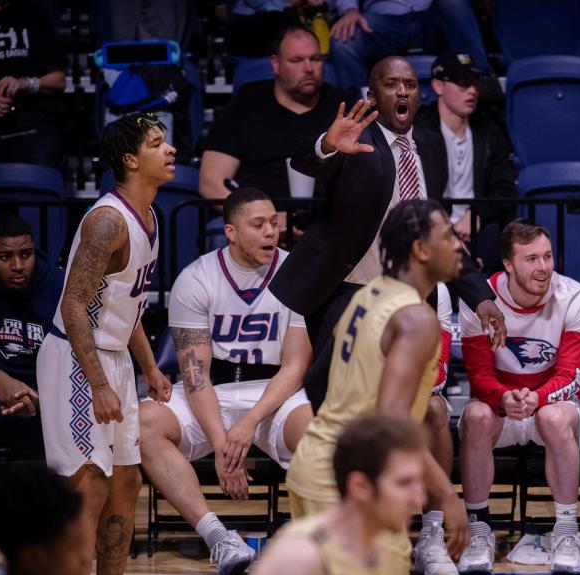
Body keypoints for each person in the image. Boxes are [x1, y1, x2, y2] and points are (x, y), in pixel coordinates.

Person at [268, 55, 505, 411]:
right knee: (342, 402)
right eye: (391, 84)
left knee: (406, 406)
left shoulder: (431, 145)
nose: (402, 91)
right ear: (373, 95)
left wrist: (480, 296)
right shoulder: (353, 139)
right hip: (347, 291)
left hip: (409, 297)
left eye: (409, 85)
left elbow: (437, 230)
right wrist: (327, 146)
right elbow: (305, 161)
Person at [285, 199, 468, 575]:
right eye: (448, 235)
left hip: (314, 465)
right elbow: (390, 423)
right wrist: (447, 495)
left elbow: (318, 380)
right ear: (421, 250)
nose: (459, 243)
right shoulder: (417, 319)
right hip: (352, 484)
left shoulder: (367, 294)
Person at [37, 112, 174, 575]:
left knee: (126, 482)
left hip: (113, 358)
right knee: (88, 490)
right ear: (130, 159)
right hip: (77, 358)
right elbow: (74, 305)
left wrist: (146, 367)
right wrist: (96, 381)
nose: (170, 151)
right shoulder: (107, 222)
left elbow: (127, 304)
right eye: (158, 144)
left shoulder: (151, 215)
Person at [138, 187, 314, 575]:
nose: (271, 231)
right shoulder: (196, 277)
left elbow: (296, 364)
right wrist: (222, 445)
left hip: (273, 393)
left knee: (325, 433)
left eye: (274, 222)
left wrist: (249, 422)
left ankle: (307, 539)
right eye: (258, 225)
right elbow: (195, 373)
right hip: (209, 392)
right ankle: (219, 537)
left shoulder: (297, 272)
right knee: (141, 423)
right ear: (231, 232)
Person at [189, 413, 428, 575]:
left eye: (419, 481)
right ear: (360, 487)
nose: (419, 497)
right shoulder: (304, 556)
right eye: (404, 483)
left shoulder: (378, 544)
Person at [457, 219, 580, 575]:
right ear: (508, 264)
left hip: (550, 405)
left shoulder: (575, 297)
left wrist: (538, 398)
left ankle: (566, 532)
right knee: (474, 417)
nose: (544, 268)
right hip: (501, 407)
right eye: (531, 259)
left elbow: (572, 375)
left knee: (554, 418)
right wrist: (503, 398)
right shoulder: (480, 300)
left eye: (547, 257)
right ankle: (478, 531)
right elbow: (479, 376)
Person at [200, 25, 355, 202]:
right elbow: (211, 183)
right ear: (276, 64)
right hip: (255, 222)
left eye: (315, 59)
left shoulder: (345, 108)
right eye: (296, 60)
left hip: (330, 220)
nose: (308, 68)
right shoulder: (244, 106)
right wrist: (261, 219)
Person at [414, 50, 517, 272]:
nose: (472, 91)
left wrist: (477, 215)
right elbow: (413, 191)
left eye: (475, 84)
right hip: (431, 226)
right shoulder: (419, 130)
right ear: (438, 86)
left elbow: (505, 189)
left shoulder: (490, 131)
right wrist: (446, 233)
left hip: (479, 228)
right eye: (463, 84)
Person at [0, 214, 61, 459]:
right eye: (5, 257)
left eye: (26, 254)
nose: (18, 266)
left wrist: (40, 392)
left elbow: (79, 354)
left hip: (46, 391)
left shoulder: (58, 286)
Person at [0, 0, 66, 167]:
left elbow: (59, 80)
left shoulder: (31, 15)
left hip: (31, 120)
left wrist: (26, 83)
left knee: (39, 161)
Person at [328, 0, 492, 89]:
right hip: (384, 23)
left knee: (452, 2)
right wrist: (350, 10)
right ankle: (358, 114)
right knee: (344, 40)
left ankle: (483, 81)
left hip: (431, 19)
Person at [412, 282, 460, 575]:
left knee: (434, 409)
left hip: (408, 393)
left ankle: (431, 532)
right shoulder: (359, 286)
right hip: (356, 395)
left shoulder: (436, 289)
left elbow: (438, 368)